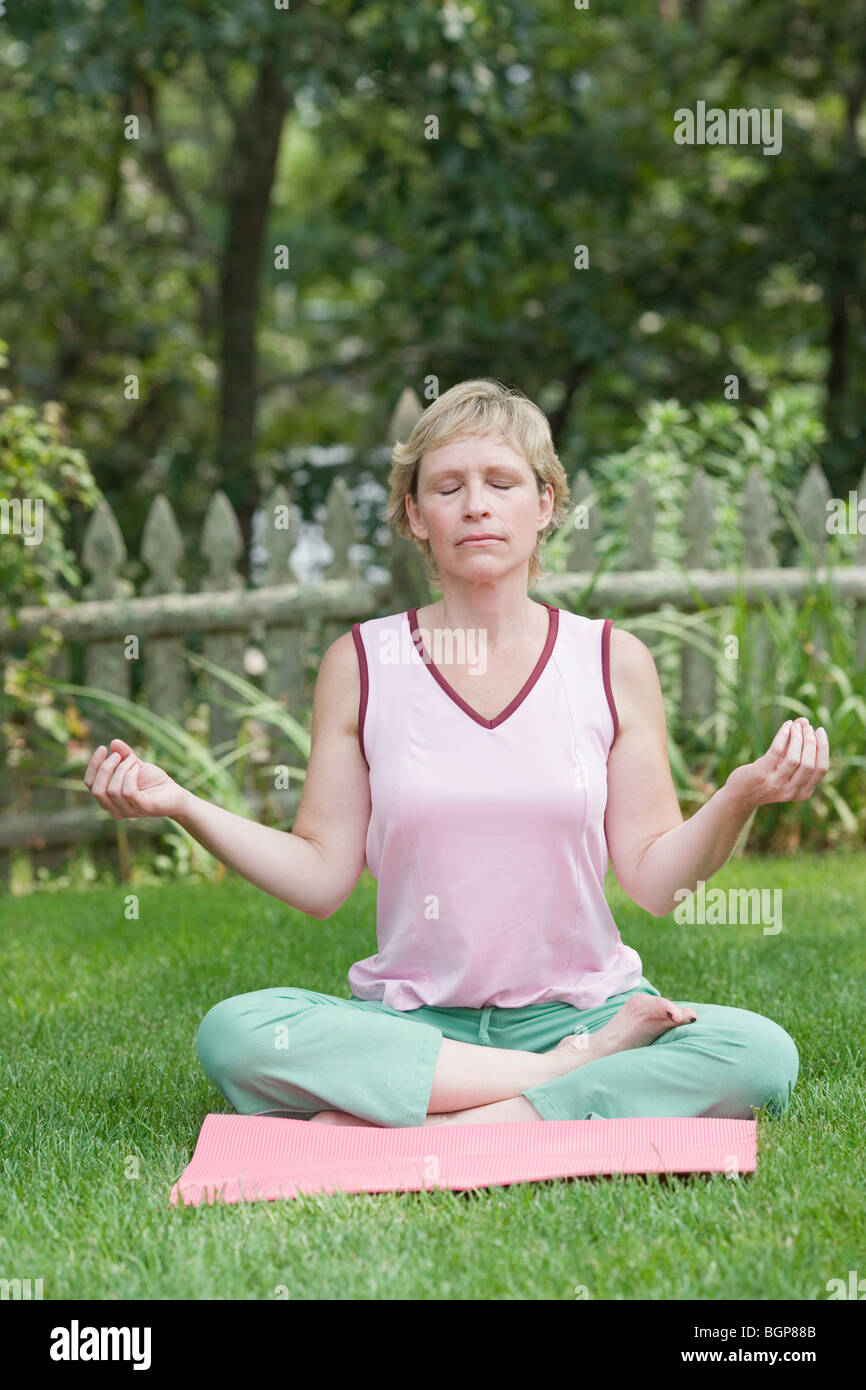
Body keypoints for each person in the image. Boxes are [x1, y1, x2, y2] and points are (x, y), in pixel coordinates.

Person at [83, 378, 827, 1129]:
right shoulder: (363, 662)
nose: (476, 504)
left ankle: (445, 1119)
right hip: (416, 1024)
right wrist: (179, 803)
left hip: (582, 1010)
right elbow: (320, 878)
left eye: (501, 482)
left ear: (545, 505)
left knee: (759, 1054)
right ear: (415, 514)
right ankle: (560, 1084)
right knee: (236, 1032)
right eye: (448, 486)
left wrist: (737, 796)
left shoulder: (610, 661)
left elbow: (657, 883)